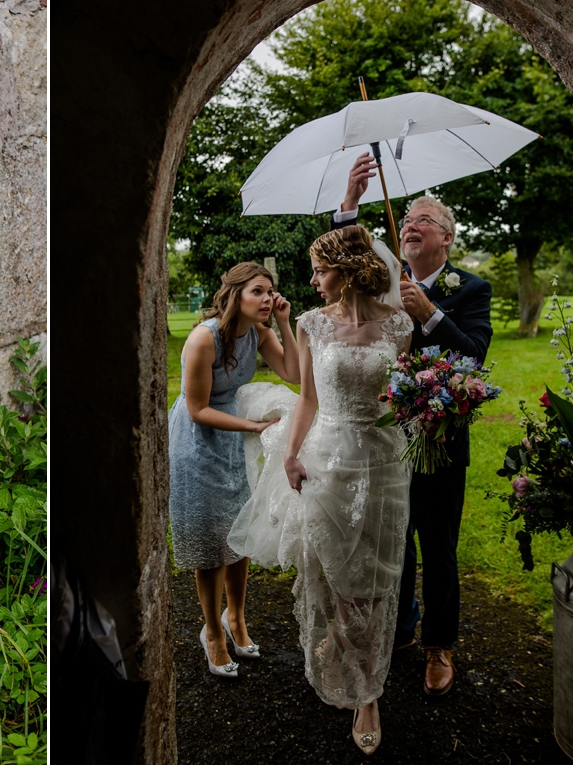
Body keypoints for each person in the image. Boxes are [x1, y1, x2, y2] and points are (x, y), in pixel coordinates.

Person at [228, 225, 412, 755]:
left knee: (376, 574)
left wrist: (426, 410)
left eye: (320, 269)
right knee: (331, 568)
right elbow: (306, 397)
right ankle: (340, 645)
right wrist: (290, 454)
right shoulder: (310, 324)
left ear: (348, 271)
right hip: (326, 460)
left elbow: (400, 394)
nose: (312, 281)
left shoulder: (400, 324)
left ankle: (368, 691)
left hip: (383, 459)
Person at [333, 152, 494, 697]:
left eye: (422, 218)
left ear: (447, 237)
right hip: (388, 439)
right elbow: (345, 257)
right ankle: (400, 628)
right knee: (392, 541)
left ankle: (438, 644)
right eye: (405, 220)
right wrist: (351, 203)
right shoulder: (383, 280)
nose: (409, 225)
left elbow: (475, 355)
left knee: (439, 546)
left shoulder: (470, 290)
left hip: (442, 443)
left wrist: (428, 311)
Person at [168, 262, 299, 679]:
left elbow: (293, 373)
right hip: (198, 439)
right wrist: (255, 427)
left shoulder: (260, 332)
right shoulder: (203, 339)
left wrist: (284, 323)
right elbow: (197, 409)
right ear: (235, 296)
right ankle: (211, 631)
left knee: (238, 529)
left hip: (235, 438)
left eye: (270, 292)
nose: (266, 299)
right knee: (209, 541)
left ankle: (236, 618)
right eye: (258, 292)